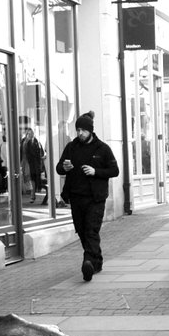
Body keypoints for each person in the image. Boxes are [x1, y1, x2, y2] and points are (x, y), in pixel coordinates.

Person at [56, 112, 119, 282]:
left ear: (91, 130)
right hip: (76, 197)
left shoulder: (103, 148)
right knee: (82, 231)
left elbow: (114, 171)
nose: (80, 133)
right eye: (78, 130)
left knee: (91, 230)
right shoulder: (71, 147)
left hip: (95, 198)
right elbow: (59, 168)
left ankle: (88, 262)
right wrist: (65, 167)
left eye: (83, 130)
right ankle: (95, 262)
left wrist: (95, 171)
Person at [20, 125, 47, 205]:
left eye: (31, 134)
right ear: (26, 134)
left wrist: (39, 163)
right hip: (25, 162)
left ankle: (32, 195)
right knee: (27, 178)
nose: (30, 135)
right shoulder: (24, 141)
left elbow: (38, 153)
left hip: (32, 164)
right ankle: (31, 194)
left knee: (31, 179)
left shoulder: (34, 141)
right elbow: (21, 152)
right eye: (28, 134)